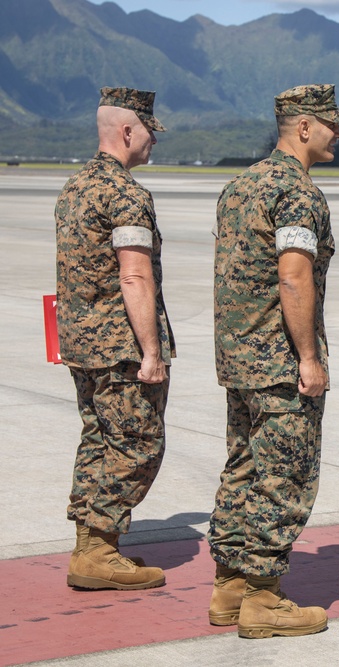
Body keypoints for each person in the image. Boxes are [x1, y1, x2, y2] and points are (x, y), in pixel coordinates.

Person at [208, 84, 339, 638]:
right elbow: (293, 276)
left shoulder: (239, 186)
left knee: (242, 469)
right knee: (284, 477)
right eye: (331, 124)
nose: (338, 132)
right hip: (278, 363)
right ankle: (263, 599)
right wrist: (309, 357)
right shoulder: (297, 193)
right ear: (302, 127)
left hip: (239, 360)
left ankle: (229, 585)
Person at [56, 86, 173, 591]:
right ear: (128, 131)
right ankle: (100, 547)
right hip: (120, 347)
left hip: (81, 342)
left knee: (98, 439)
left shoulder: (74, 187)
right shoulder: (125, 194)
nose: (153, 142)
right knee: (140, 444)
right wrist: (151, 350)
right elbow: (134, 275)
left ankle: (89, 546)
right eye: (149, 132)